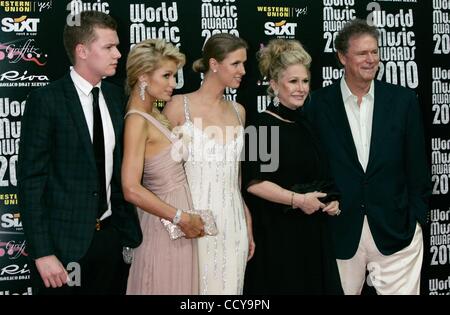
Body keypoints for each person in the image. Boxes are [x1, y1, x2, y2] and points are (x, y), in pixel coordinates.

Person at [17, 11, 142, 294]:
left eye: (117, 46)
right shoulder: (47, 101)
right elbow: (31, 181)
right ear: (82, 51)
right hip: (62, 250)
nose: (118, 54)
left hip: (111, 241)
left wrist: (124, 234)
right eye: (109, 47)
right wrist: (42, 252)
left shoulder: (115, 97)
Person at [306, 19, 431, 295]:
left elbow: (418, 166)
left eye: (375, 52)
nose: (371, 59)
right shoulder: (316, 104)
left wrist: (416, 217)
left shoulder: (403, 101)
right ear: (342, 57)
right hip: (339, 230)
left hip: (396, 230)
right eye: (362, 53)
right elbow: (309, 167)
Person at [242, 39, 343, 294]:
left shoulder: (306, 124)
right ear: (274, 85)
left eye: (305, 81)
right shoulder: (261, 125)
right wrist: (297, 200)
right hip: (279, 240)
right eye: (293, 81)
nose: (301, 89)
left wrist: (332, 200)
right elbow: (254, 183)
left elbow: (320, 177)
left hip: (313, 236)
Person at [163, 33, 255, 295]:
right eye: (236, 64)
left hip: (233, 221)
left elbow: (235, 174)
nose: (243, 71)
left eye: (244, 63)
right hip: (193, 220)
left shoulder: (239, 111)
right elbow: (164, 172)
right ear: (214, 64)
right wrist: (177, 219)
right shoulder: (177, 106)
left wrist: (246, 218)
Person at [122, 39, 205, 295]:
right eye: (167, 75)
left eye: (174, 75)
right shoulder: (137, 121)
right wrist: (181, 218)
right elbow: (131, 188)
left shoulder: (152, 116)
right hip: (164, 228)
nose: (174, 83)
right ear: (143, 77)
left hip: (176, 226)